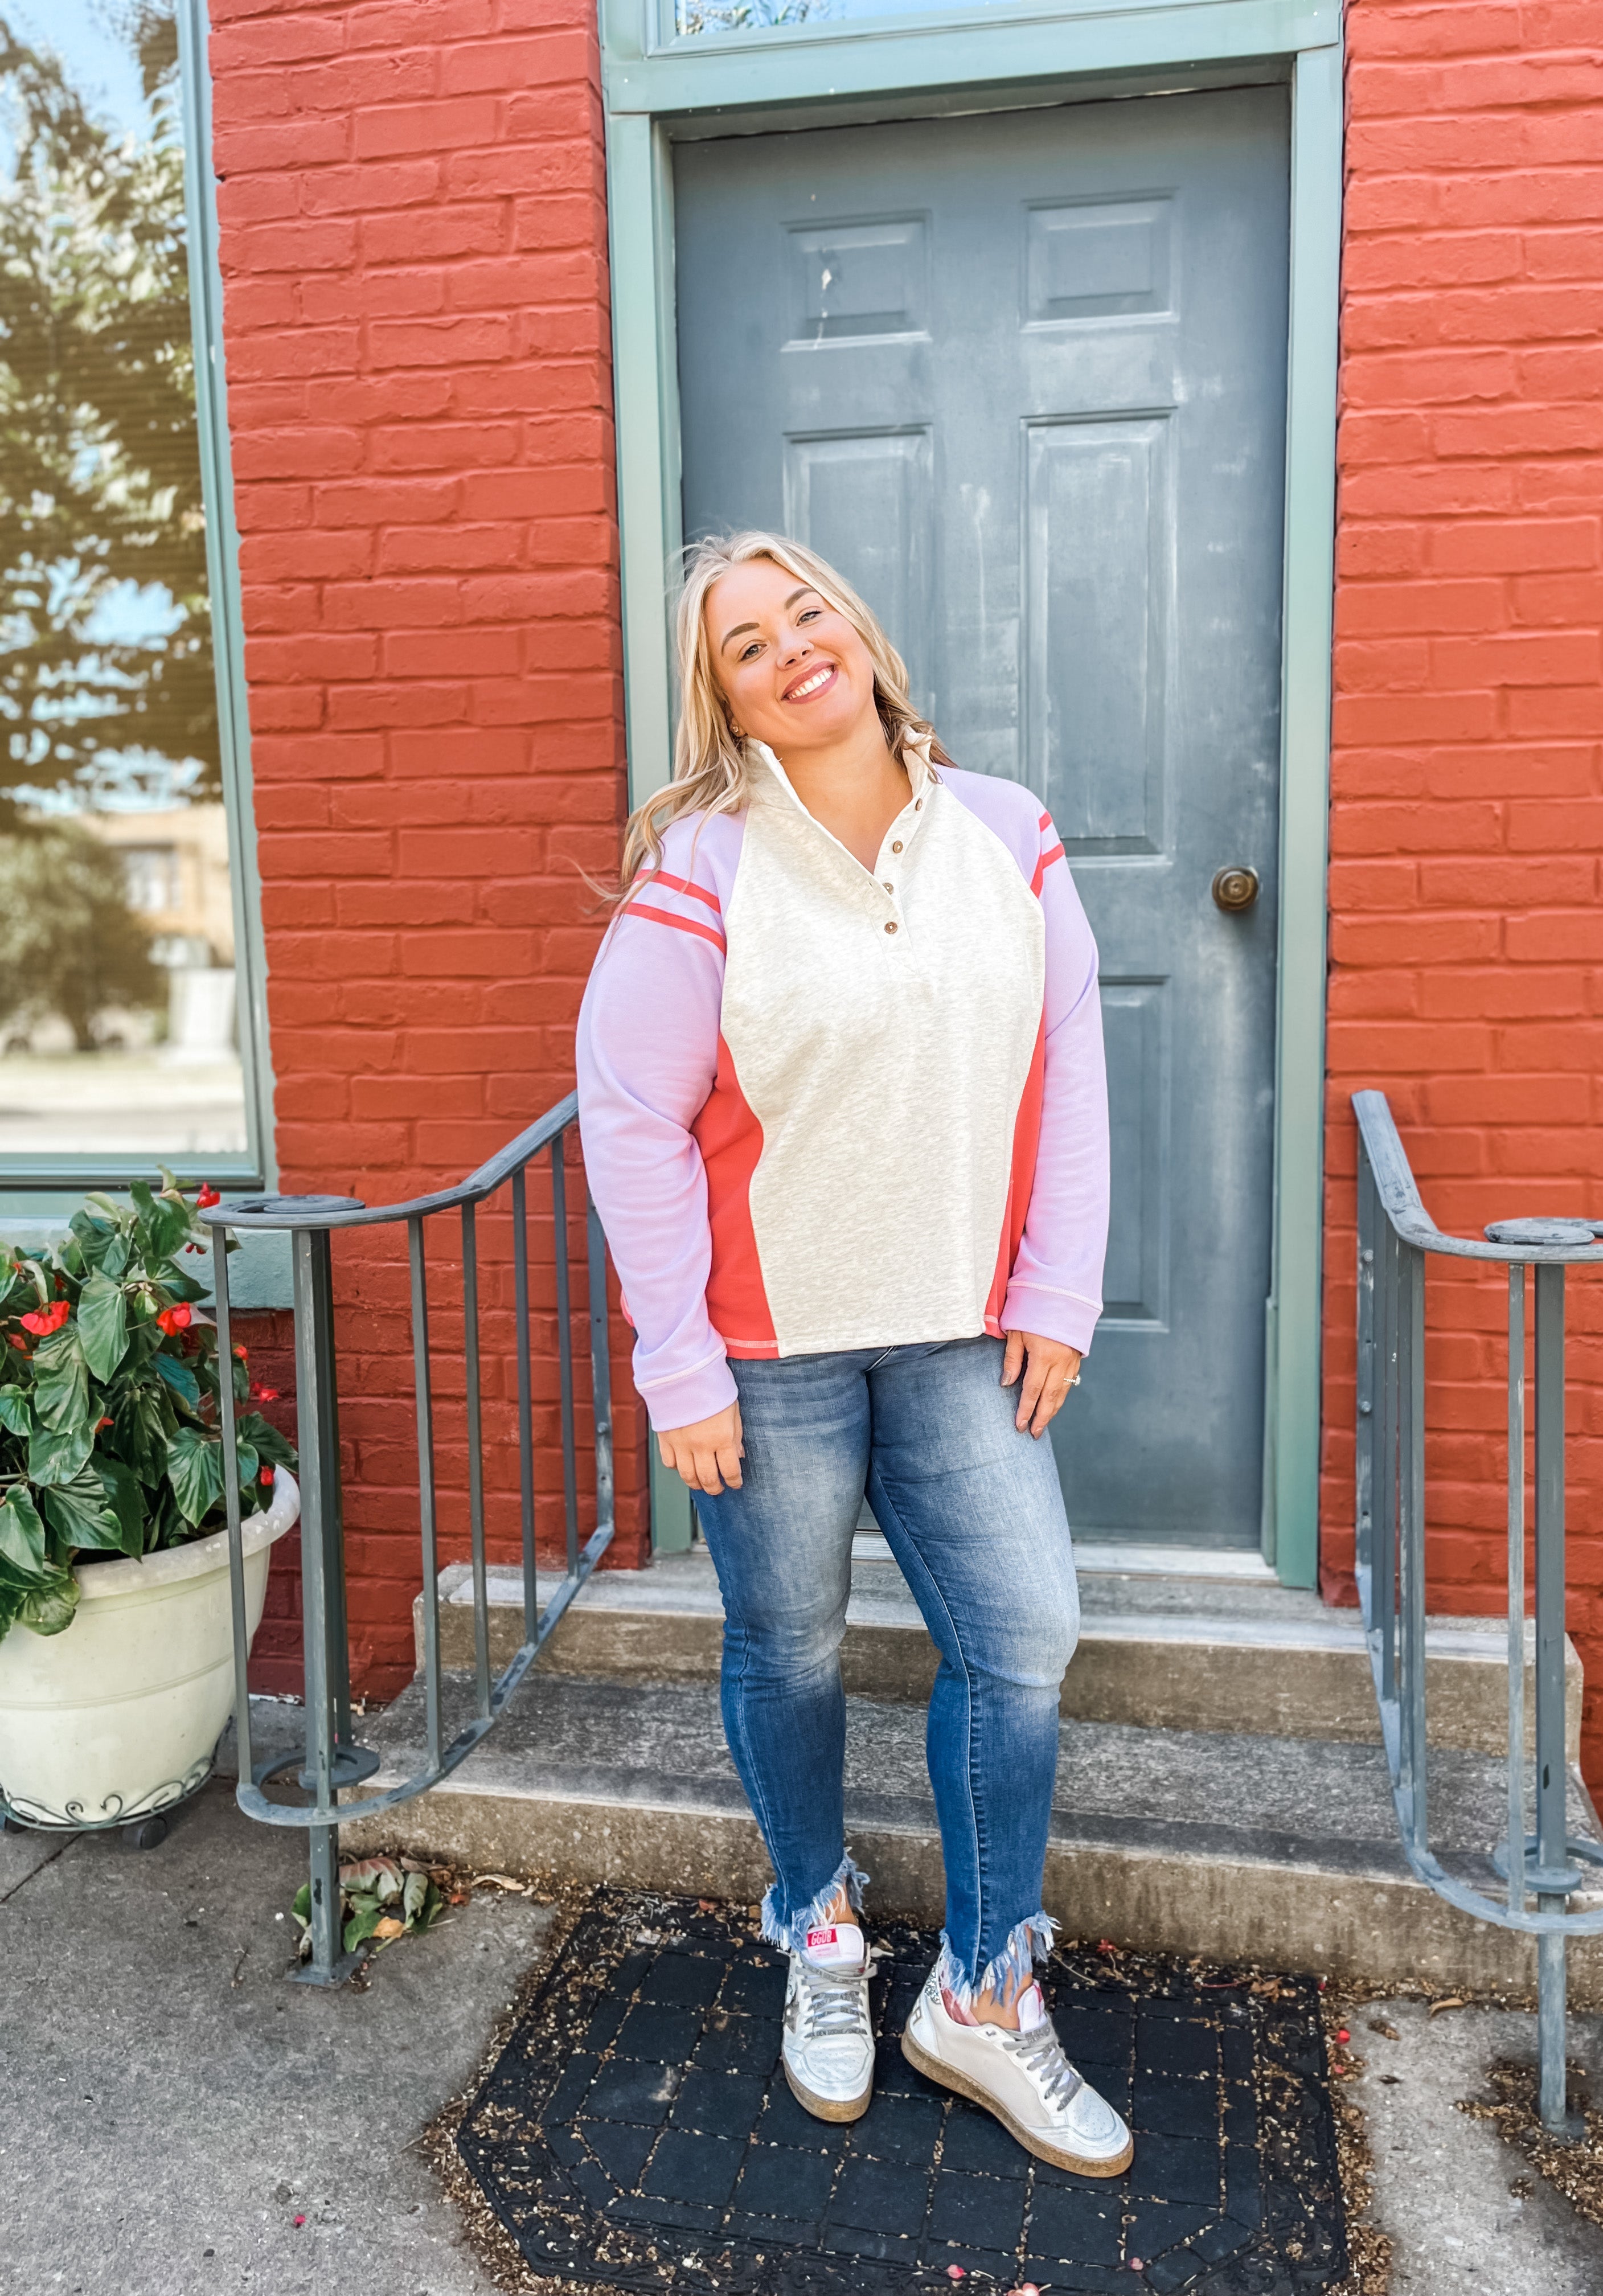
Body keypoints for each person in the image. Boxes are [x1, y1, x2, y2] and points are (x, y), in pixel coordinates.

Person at [575, 531, 1126, 2178]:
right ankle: (819, 1929)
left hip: (966, 1331)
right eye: (746, 643)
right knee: (789, 1647)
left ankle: (981, 1988)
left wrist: (1058, 1290)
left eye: (805, 612)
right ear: (725, 699)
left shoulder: (1009, 834)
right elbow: (631, 1119)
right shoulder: (704, 869)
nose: (790, 648)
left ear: (862, 636)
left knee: (1025, 1635)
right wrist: (677, 1364)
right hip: (767, 1354)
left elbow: (1070, 1061)